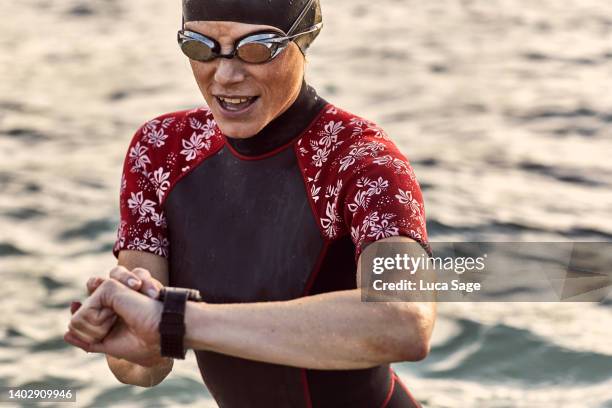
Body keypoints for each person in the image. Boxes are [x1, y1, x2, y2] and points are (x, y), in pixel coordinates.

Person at [65, 0, 436, 406]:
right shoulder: (161, 152)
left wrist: (178, 320)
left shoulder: (359, 160)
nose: (225, 75)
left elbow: (405, 321)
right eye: (201, 47)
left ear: (303, 38)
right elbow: (143, 368)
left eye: (258, 47)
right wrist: (132, 337)